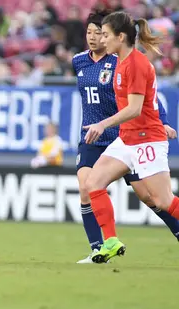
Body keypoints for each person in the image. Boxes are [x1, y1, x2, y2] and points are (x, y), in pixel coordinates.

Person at [73, 11, 179, 264]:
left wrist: (102, 124)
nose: (102, 39)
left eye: (106, 34)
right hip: (126, 138)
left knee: (162, 200)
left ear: (120, 37)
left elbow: (134, 109)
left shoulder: (138, 65)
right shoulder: (119, 61)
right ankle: (109, 242)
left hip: (147, 139)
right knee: (92, 184)